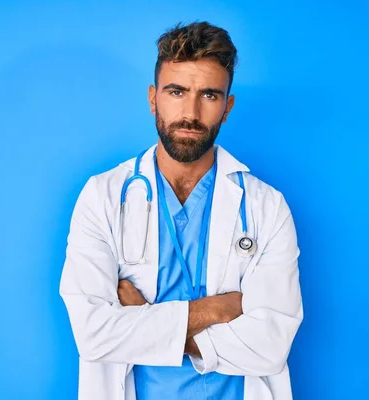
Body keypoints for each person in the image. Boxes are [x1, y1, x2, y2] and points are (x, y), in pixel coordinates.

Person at [60, 21, 303, 400]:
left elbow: (270, 347)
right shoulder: (103, 197)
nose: (190, 113)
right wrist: (210, 311)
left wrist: (145, 320)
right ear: (153, 98)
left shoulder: (266, 206)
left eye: (209, 95)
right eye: (176, 91)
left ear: (227, 106)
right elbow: (93, 335)